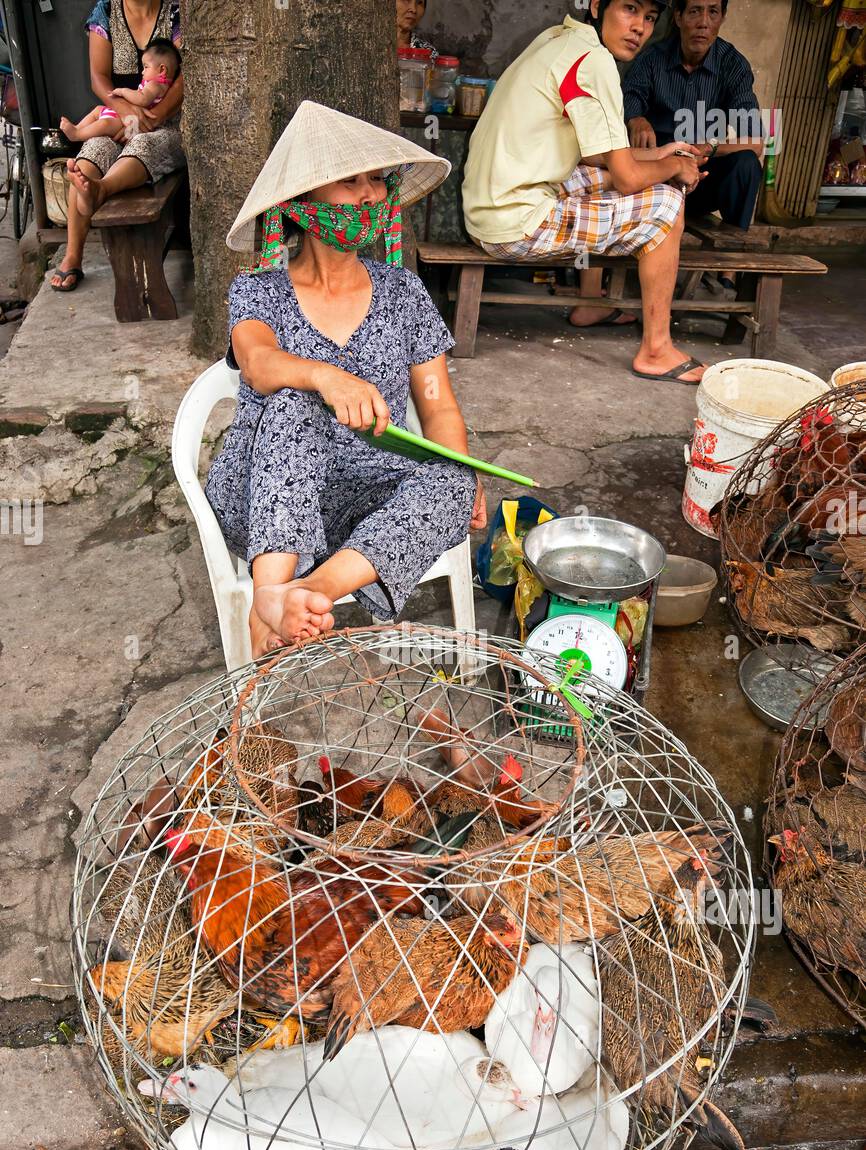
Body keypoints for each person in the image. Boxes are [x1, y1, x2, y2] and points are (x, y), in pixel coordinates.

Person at [207, 101, 486, 657]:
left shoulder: (403, 293)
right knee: (293, 399)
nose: (369, 196)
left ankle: (310, 592)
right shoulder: (257, 290)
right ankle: (269, 592)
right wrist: (325, 377)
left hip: (366, 495)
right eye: (349, 182)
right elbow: (258, 364)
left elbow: (438, 407)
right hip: (266, 498)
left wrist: (464, 469)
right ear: (301, 202)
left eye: (376, 181)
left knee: (457, 478)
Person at [462, 0, 708, 385]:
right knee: (667, 201)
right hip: (515, 223)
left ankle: (591, 304)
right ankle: (656, 350)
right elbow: (627, 178)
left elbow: (597, 154)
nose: (639, 27)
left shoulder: (556, 39)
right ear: (597, 5)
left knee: (605, 177)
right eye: (629, 9)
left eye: (649, 18)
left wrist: (662, 154)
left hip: (488, 208)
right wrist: (676, 168)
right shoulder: (595, 61)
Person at [50, 1, 185, 293]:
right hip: (119, 117)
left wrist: (154, 116)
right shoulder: (106, 12)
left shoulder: (175, 11)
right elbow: (98, 77)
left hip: (166, 123)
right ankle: (73, 254)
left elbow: (188, 75)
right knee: (92, 151)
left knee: (145, 144)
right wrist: (126, 113)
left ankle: (100, 189)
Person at [623, 0, 763, 230]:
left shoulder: (733, 65)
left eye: (713, 12)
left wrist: (706, 148)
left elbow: (755, 142)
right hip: (658, 178)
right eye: (695, 11)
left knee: (746, 163)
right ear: (678, 17)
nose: (703, 23)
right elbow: (631, 95)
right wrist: (635, 118)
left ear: (722, 17)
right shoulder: (653, 58)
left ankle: (733, 249)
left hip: (702, 176)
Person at [59, 38, 180, 145]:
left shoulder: (156, 85)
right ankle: (77, 128)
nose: (142, 72)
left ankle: (77, 135)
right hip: (125, 113)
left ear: (162, 69)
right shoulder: (156, 83)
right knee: (97, 110)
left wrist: (123, 91)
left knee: (104, 124)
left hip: (127, 120)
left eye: (146, 67)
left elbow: (142, 99)